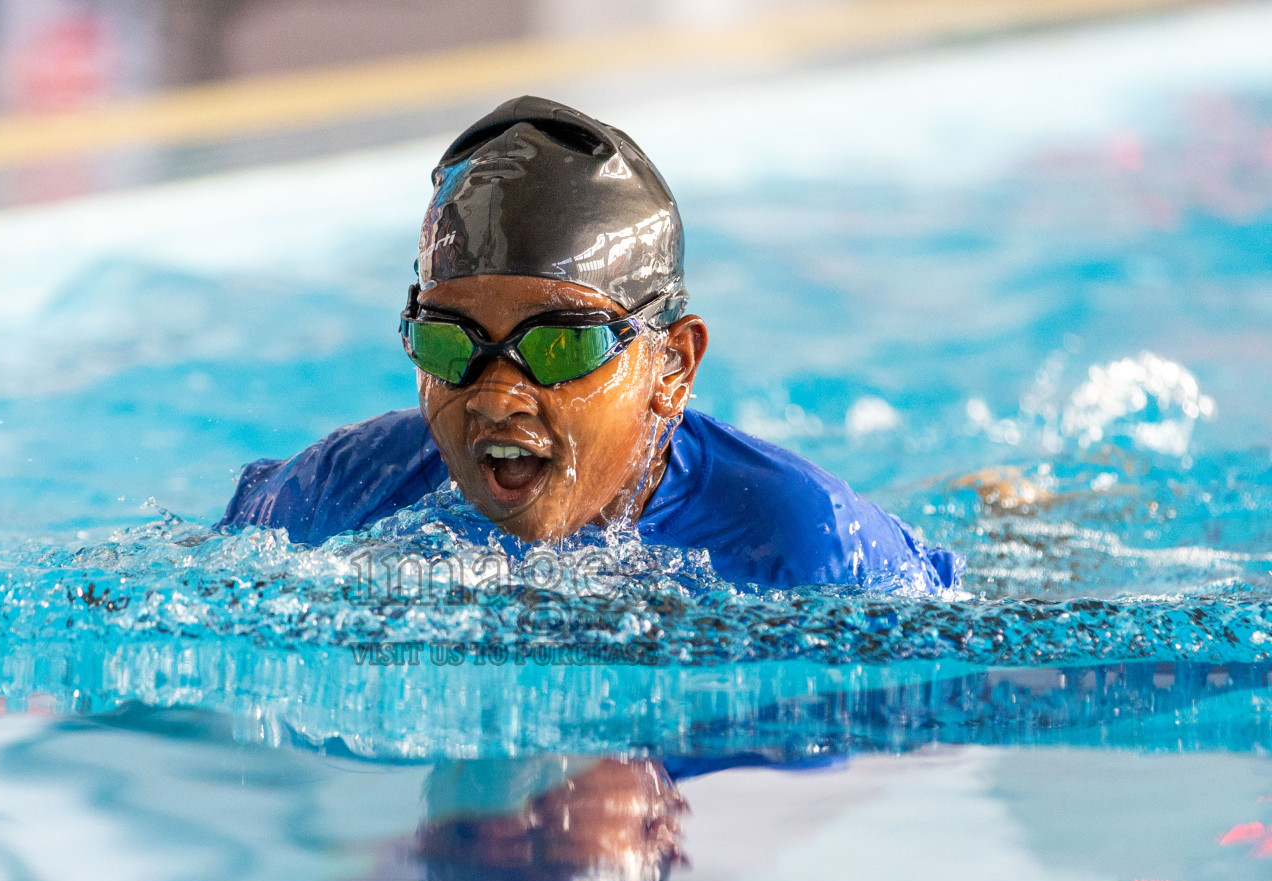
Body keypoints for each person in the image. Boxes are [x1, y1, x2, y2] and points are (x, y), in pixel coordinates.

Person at [218, 96, 960, 592]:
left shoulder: (805, 547)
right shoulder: (336, 495)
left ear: (673, 365)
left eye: (560, 347)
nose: (497, 396)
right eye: (450, 344)